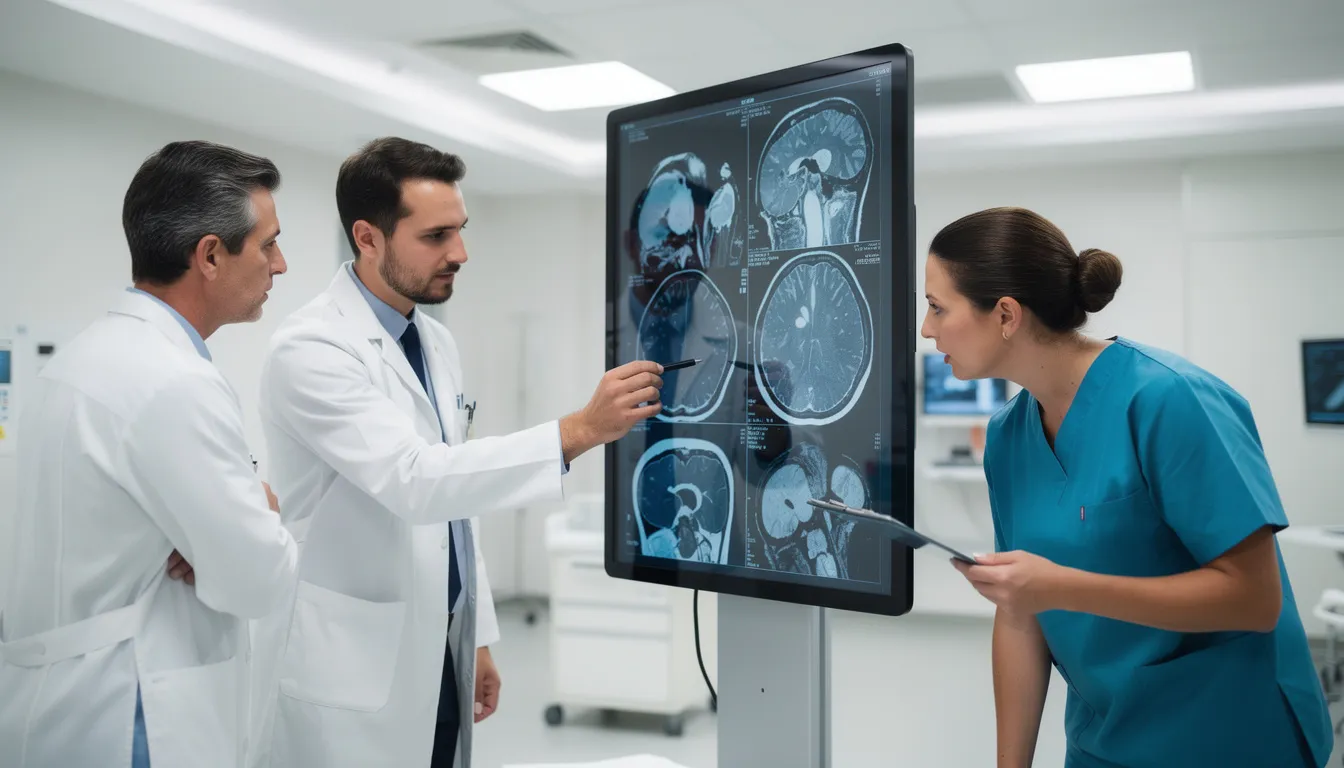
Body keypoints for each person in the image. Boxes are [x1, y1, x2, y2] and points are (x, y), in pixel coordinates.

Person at [248, 137, 664, 768]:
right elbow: (416, 481)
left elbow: (457, 504)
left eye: (460, 231)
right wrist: (576, 430)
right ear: (368, 237)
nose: (460, 254)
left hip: (438, 650)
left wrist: (476, 633)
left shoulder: (436, 344)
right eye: (437, 236)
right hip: (350, 666)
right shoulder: (311, 349)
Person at [922, 206, 1334, 767]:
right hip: (1107, 737)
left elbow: (1255, 599)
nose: (928, 328)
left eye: (938, 307)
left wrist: (1061, 587)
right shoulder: (1008, 437)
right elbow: (1022, 613)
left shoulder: (1170, 399)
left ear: (1006, 314)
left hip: (1228, 732)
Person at [0, 140, 299, 768]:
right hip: (133, 715)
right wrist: (261, 512)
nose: (281, 265)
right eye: (268, 244)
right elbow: (257, 578)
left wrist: (215, 538)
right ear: (211, 255)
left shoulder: (81, 360)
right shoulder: (174, 382)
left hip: (60, 707)